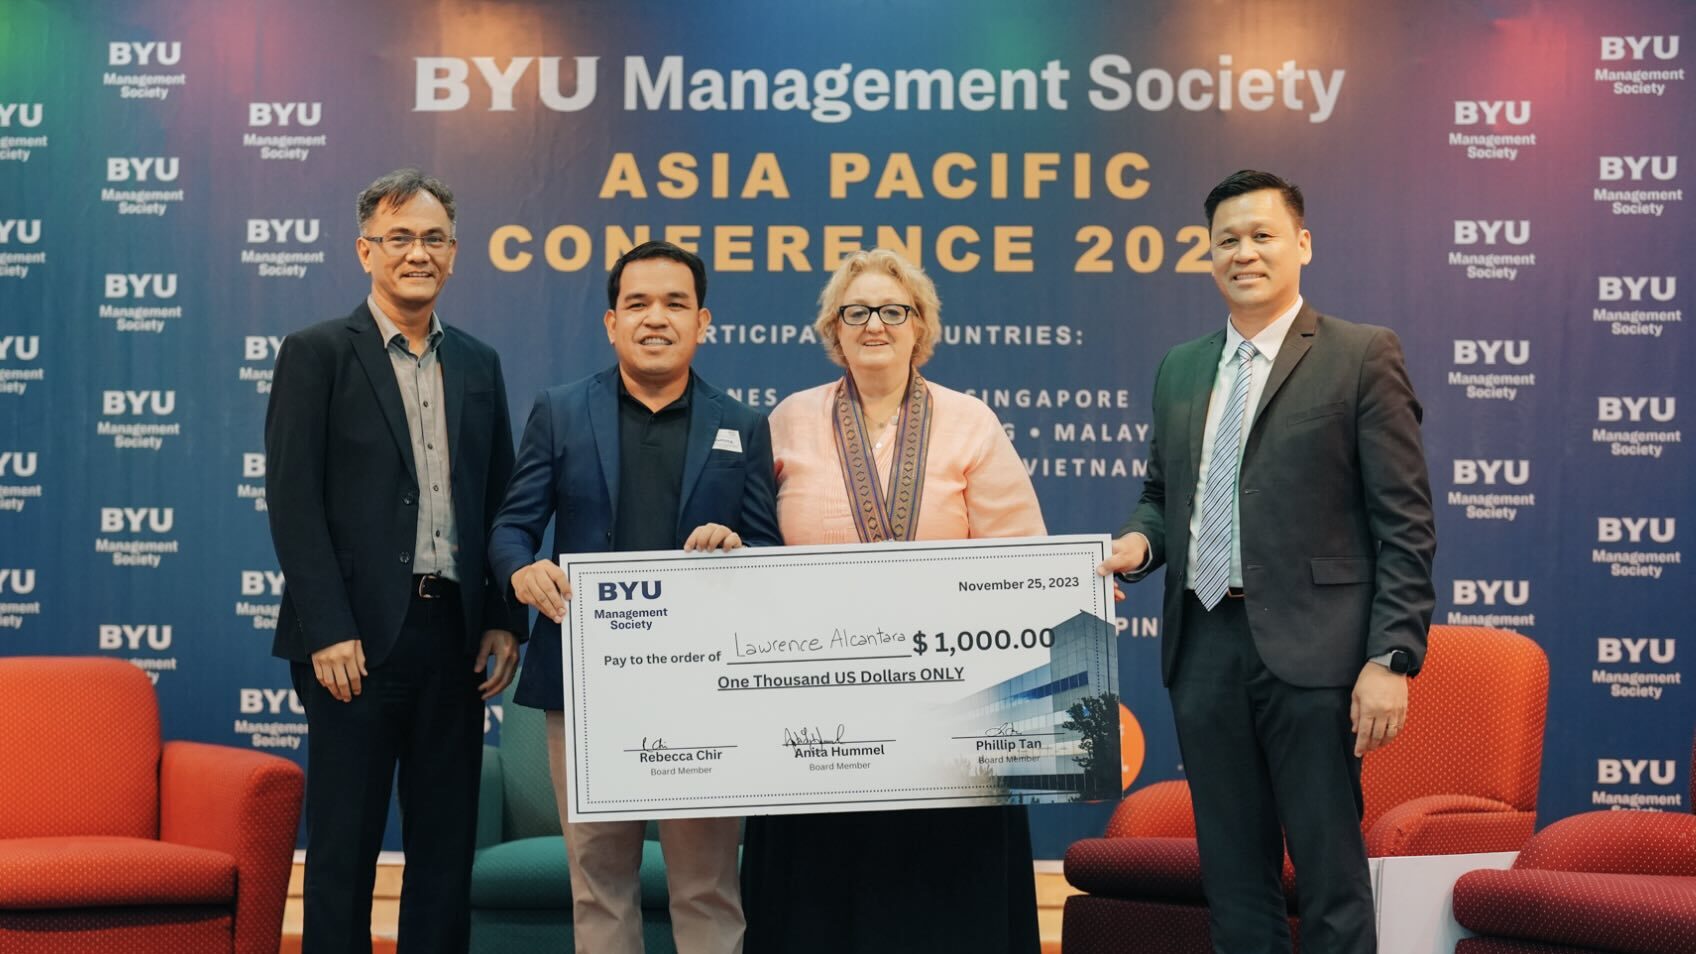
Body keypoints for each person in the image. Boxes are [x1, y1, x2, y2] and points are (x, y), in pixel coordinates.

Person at [1098, 170, 1437, 954]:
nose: (1243, 252)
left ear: (1301, 244)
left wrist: (1390, 656)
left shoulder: (1360, 355)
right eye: (1226, 241)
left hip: (1318, 656)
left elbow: (1406, 523)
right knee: (1235, 881)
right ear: (1207, 255)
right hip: (1204, 643)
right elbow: (1161, 494)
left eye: (1261, 236)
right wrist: (1141, 542)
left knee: (1328, 876)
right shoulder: (1182, 367)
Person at [739, 248, 1045, 954]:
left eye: (893, 311)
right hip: (818, 716)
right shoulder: (787, 421)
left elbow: (1021, 560)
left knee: (936, 911)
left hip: (948, 713)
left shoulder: (971, 422)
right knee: (821, 908)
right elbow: (758, 549)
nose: (874, 324)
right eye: (857, 312)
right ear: (834, 331)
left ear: (920, 329)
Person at [488, 240, 779, 954]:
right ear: (611, 322)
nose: (657, 318)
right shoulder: (558, 412)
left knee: (708, 883)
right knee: (599, 878)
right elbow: (511, 528)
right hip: (586, 684)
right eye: (638, 303)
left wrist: (741, 551)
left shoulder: (741, 423)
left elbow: (771, 551)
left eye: (675, 303)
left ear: (703, 322)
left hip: (705, 689)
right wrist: (521, 570)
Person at [265, 168, 525, 954]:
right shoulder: (316, 354)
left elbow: (503, 499)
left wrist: (504, 618)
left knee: (445, 853)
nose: (419, 252)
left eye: (434, 238)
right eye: (400, 237)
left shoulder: (478, 364)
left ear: (454, 254)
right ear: (365, 250)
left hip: (454, 639)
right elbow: (293, 502)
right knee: (342, 851)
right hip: (353, 645)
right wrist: (327, 628)